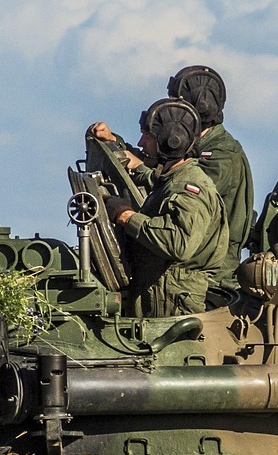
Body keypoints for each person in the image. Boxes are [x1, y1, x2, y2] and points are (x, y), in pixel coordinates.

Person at [88, 65, 253, 288]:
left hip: (203, 273)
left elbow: (175, 185)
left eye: (178, 104)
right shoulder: (188, 150)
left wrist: (128, 210)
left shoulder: (221, 157)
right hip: (177, 271)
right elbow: (159, 158)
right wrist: (113, 143)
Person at [102, 99, 228, 317]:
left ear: (171, 142)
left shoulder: (190, 188)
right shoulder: (170, 180)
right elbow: (151, 177)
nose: (141, 143)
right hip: (159, 293)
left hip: (172, 302)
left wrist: (126, 217)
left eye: (148, 137)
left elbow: (179, 243)